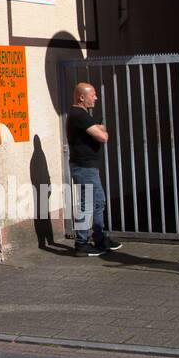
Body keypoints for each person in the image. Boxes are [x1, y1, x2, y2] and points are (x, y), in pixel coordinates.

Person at [67, 82, 122, 256]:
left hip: (88, 167)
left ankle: (100, 239)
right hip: (83, 168)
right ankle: (81, 243)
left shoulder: (83, 115)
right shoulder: (79, 115)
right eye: (93, 95)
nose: (96, 98)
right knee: (87, 204)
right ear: (81, 97)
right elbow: (102, 137)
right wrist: (102, 129)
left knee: (99, 202)